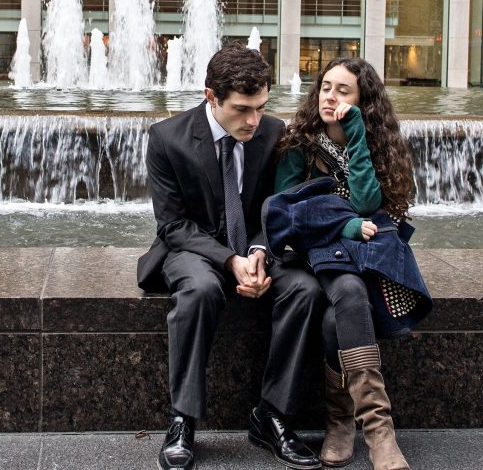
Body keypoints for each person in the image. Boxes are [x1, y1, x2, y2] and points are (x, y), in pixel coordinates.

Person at [138, 44, 323, 470]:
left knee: (306, 289)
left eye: (260, 107)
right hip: (194, 247)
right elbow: (173, 225)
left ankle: (272, 416)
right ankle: (182, 419)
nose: (254, 121)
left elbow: (280, 205)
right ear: (211, 97)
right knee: (200, 290)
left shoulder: (275, 133)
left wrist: (258, 251)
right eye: (242, 109)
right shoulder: (167, 139)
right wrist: (229, 260)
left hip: (260, 245)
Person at [273, 58, 424, 470]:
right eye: (325, 87)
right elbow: (285, 212)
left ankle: (341, 421)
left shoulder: (374, 141)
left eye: (343, 91)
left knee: (332, 321)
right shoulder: (300, 144)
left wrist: (355, 134)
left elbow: (367, 202)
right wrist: (347, 226)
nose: (330, 97)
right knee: (349, 291)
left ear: (362, 102)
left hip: (364, 255)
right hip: (315, 251)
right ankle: (379, 432)